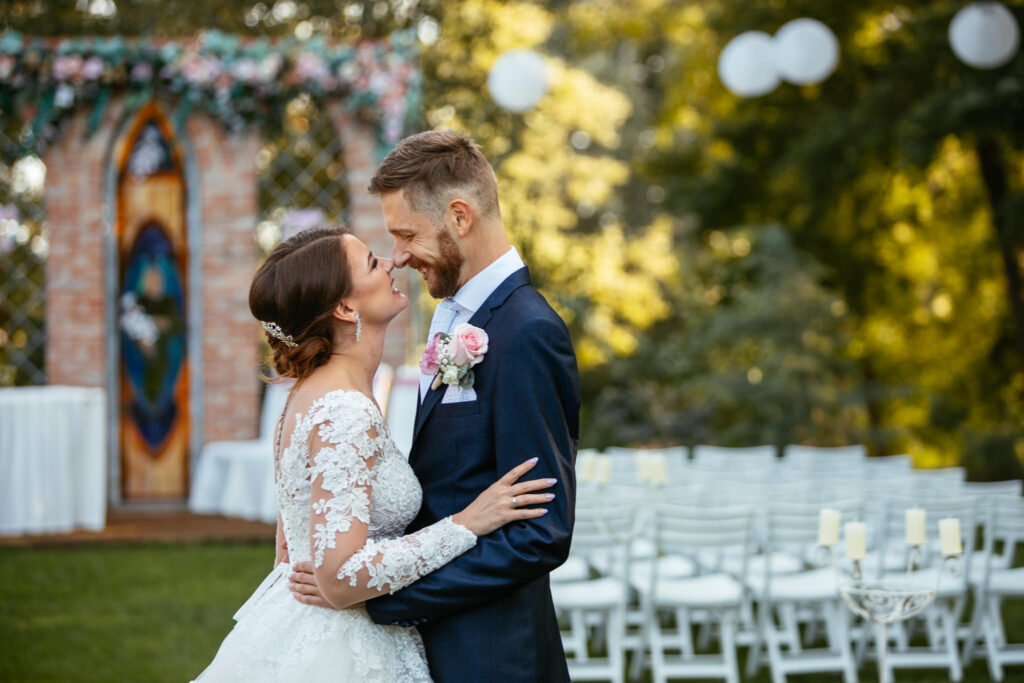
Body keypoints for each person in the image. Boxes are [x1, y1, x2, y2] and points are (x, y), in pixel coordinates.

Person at [190, 225, 556, 682]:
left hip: (316, 625)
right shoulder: (343, 410)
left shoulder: (309, 396)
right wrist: (466, 523)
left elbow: (293, 542)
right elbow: (339, 576)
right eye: (370, 262)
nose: (390, 262)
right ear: (345, 307)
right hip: (344, 648)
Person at [288, 130, 580, 682]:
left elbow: (541, 533)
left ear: (460, 217)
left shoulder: (528, 332)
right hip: (433, 643)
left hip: (492, 653)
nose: (397, 257)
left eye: (406, 235)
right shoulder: (452, 316)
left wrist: (379, 598)